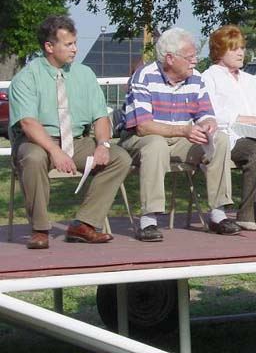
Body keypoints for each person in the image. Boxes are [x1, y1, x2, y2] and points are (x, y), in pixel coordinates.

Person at [8, 15, 132, 250]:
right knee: (33, 158)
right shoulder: (27, 78)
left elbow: (101, 117)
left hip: (77, 140)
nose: (75, 49)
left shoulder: (84, 75)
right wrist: (55, 151)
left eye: (75, 43)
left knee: (120, 158)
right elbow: (28, 123)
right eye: (68, 44)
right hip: (38, 140)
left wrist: (103, 145)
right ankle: (40, 229)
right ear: (49, 46)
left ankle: (84, 224)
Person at [121, 27, 240, 241]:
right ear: (170, 58)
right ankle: (149, 220)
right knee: (156, 144)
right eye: (190, 57)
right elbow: (142, 126)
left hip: (180, 139)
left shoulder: (196, 78)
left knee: (220, 139)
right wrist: (184, 130)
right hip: (141, 140)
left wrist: (208, 124)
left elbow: (205, 113)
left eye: (195, 56)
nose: (195, 61)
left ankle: (218, 214)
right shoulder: (144, 76)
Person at [202, 25, 256, 231]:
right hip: (230, 138)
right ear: (219, 51)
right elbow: (212, 114)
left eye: (242, 48)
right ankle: (248, 212)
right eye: (234, 49)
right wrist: (249, 120)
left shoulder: (249, 80)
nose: (241, 53)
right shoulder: (209, 77)